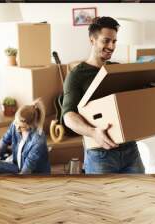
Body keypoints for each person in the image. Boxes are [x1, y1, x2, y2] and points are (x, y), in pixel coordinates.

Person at [61, 16, 145, 174]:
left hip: (130, 149)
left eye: (114, 41)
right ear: (92, 40)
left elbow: (134, 101)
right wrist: (93, 132)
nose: (111, 46)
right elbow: (68, 116)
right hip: (100, 154)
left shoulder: (117, 69)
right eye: (106, 41)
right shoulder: (77, 75)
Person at [0, 99, 51, 174]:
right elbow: (0, 146)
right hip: (17, 166)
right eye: (17, 123)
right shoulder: (16, 124)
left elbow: (26, 171)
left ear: (30, 126)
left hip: (32, 173)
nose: (17, 128)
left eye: (21, 127)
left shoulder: (38, 141)